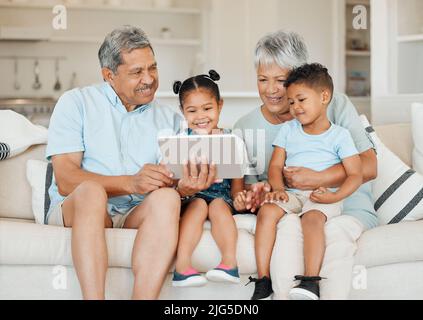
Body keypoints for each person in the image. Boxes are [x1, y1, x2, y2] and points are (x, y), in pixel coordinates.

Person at [45, 26, 217, 300]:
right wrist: (130, 182)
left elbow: (173, 184)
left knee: (167, 200)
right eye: (137, 72)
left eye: (153, 68)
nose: (149, 79)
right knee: (91, 192)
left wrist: (184, 188)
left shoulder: (171, 120)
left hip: (134, 212)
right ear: (109, 75)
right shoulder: (76, 103)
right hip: (80, 207)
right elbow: (66, 179)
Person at [234, 30, 377, 300]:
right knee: (288, 230)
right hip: (292, 204)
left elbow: (369, 167)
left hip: (345, 204)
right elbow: (249, 190)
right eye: (263, 79)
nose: (272, 90)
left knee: (331, 233)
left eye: (282, 80)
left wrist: (319, 177)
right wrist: (257, 193)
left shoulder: (336, 105)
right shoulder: (245, 127)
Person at [262, 63, 363, 300]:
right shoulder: (288, 130)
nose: (295, 107)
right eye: (291, 102)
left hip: (323, 194)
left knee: (312, 218)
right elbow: (275, 165)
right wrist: (277, 189)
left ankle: (310, 281)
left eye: (301, 100)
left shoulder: (340, 135)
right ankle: (263, 280)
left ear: (324, 96)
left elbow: (356, 174)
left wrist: (335, 197)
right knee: (267, 211)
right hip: (292, 194)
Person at [171, 70, 245, 287]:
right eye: (192, 110)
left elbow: (237, 188)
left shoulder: (233, 140)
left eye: (207, 108)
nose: (201, 116)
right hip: (192, 198)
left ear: (219, 105)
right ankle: (182, 267)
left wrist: (240, 199)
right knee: (199, 205)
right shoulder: (178, 141)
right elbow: (174, 183)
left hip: (222, 199)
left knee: (218, 205)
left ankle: (229, 264)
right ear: (182, 111)